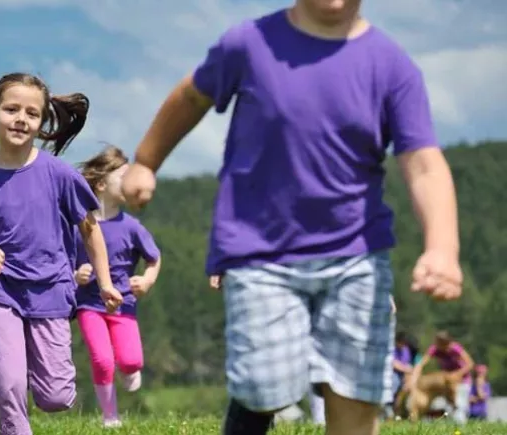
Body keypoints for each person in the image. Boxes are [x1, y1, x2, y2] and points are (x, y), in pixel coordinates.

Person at [119, 0, 464, 433]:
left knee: (355, 395)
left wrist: (442, 247)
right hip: (261, 253)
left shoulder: (391, 66)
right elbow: (192, 95)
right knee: (264, 387)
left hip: (356, 256)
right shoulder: (250, 43)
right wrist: (146, 161)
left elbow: (424, 163)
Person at [0, 72, 124, 435]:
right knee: (9, 384)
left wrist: (104, 282)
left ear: (42, 123)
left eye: (32, 113)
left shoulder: (58, 174)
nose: (21, 119)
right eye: (11, 109)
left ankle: (28, 377)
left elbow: (90, 230)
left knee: (55, 397)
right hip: (0, 290)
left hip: (52, 290)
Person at [71, 146, 161, 428]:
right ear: (100, 184)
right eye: (122, 176)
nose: (129, 183)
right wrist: (77, 275)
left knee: (131, 361)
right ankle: (110, 416)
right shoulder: (79, 226)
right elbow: (62, 262)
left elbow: (154, 260)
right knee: (101, 359)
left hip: (124, 305)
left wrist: (146, 280)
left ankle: (130, 369)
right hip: (88, 304)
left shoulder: (132, 227)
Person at [410, 331, 475, 424]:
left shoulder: (455, 348)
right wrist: (414, 377)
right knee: (450, 406)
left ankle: (461, 426)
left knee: (460, 404)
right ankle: (453, 427)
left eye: (438, 343)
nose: (436, 345)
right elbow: (421, 363)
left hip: (462, 380)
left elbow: (470, 364)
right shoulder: (435, 349)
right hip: (447, 382)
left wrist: (457, 374)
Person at [386, 331, 419, 419]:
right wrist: (406, 369)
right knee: (394, 382)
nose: (403, 345)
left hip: (404, 375)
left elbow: (407, 363)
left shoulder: (406, 350)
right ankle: (388, 405)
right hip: (393, 373)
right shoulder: (392, 349)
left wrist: (409, 376)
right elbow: (393, 363)